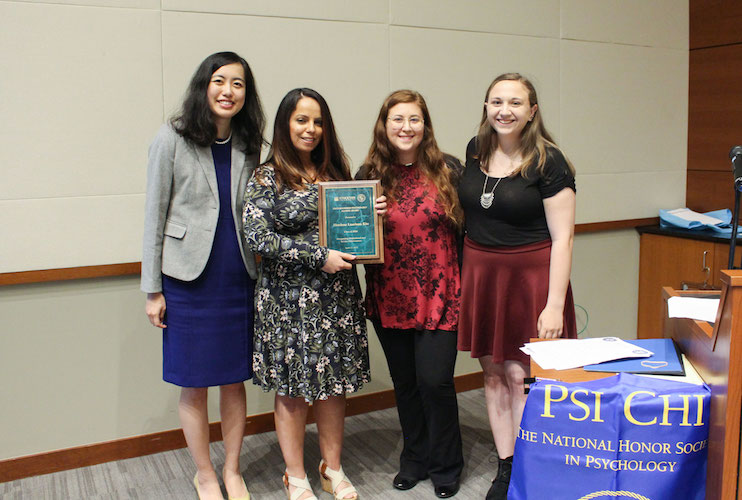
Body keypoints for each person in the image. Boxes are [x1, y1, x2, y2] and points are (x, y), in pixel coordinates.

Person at [243, 88, 385, 500]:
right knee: (292, 389)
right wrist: (316, 255)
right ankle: (295, 475)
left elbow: (355, 238)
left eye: (318, 121)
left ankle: (332, 469)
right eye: (301, 120)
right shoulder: (267, 176)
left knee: (333, 386)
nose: (310, 129)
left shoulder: (338, 173)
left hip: (336, 298)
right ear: (286, 123)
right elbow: (256, 236)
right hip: (287, 301)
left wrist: (369, 220)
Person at [141, 51, 264, 500]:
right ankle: (204, 473)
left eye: (238, 84)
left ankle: (231, 469)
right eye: (219, 80)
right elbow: (153, 217)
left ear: (246, 95)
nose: (228, 90)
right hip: (188, 282)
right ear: (203, 85)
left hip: (238, 278)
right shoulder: (171, 137)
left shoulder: (250, 141)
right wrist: (152, 289)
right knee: (194, 383)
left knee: (233, 379)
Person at [457, 73, 577, 500]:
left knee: (520, 375)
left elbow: (562, 238)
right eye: (496, 102)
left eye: (514, 103)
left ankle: (532, 467)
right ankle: (506, 467)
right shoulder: (475, 151)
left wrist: (553, 305)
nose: (504, 110)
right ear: (486, 107)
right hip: (483, 278)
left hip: (530, 280)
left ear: (532, 111)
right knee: (490, 372)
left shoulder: (549, 161)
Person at [356, 90, 464, 498]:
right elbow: (357, 242)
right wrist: (372, 219)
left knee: (435, 382)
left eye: (414, 119)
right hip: (390, 294)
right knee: (406, 384)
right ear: (385, 126)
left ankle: (446, 464)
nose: (406, 127)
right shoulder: (369, 173)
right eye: (397, 119)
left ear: (425, 126)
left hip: (441, 293)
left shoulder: (448, 169)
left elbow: (468, 232)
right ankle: (414, 459)